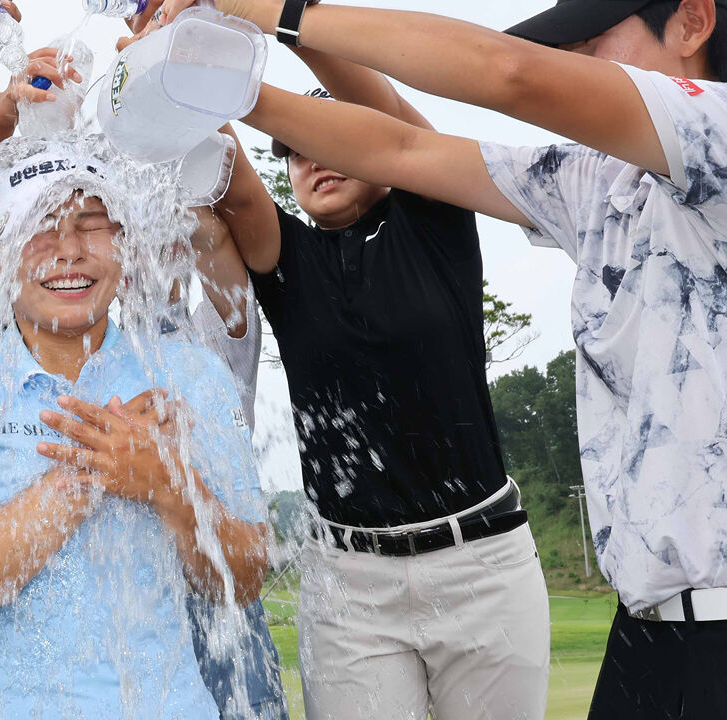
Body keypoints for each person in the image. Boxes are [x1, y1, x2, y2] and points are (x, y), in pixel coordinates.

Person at [143, 0, 727, 716]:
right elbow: (380, 151)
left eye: (593, 43)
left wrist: (271, 12)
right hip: (624, 622)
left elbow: (481, 90)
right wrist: (179, 77)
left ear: (695, 23)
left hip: (491, 565)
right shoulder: (593, 184)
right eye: (298, 150)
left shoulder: (713, 133)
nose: (573, 69)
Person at [0, 138, 269, 719]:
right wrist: (89, 474)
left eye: (92, 225)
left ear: (125, 245)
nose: (68, 251)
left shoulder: (192, 374)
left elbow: (244, 578)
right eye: (39, 227)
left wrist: (168, 485)